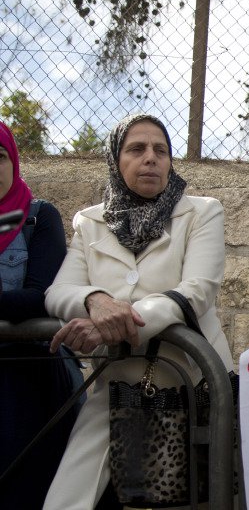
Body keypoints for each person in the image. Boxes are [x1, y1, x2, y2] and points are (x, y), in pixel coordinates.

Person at [43, 114, 232, 510]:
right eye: (137, 149)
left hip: (190, 388)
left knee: (189, 500)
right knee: (65, 498)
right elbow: (59, 291)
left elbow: (196, 291)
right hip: (115, 387)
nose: (151, 159)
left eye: (160, 151)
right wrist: (96, 302)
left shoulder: (201, 213)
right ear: (115, 159)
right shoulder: (90, 223)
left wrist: (115, 322)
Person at [0, 122, 78, 510]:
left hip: (26, 378)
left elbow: (39, 298)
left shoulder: (37, 218)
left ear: (13, 162)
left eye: (0, 157)